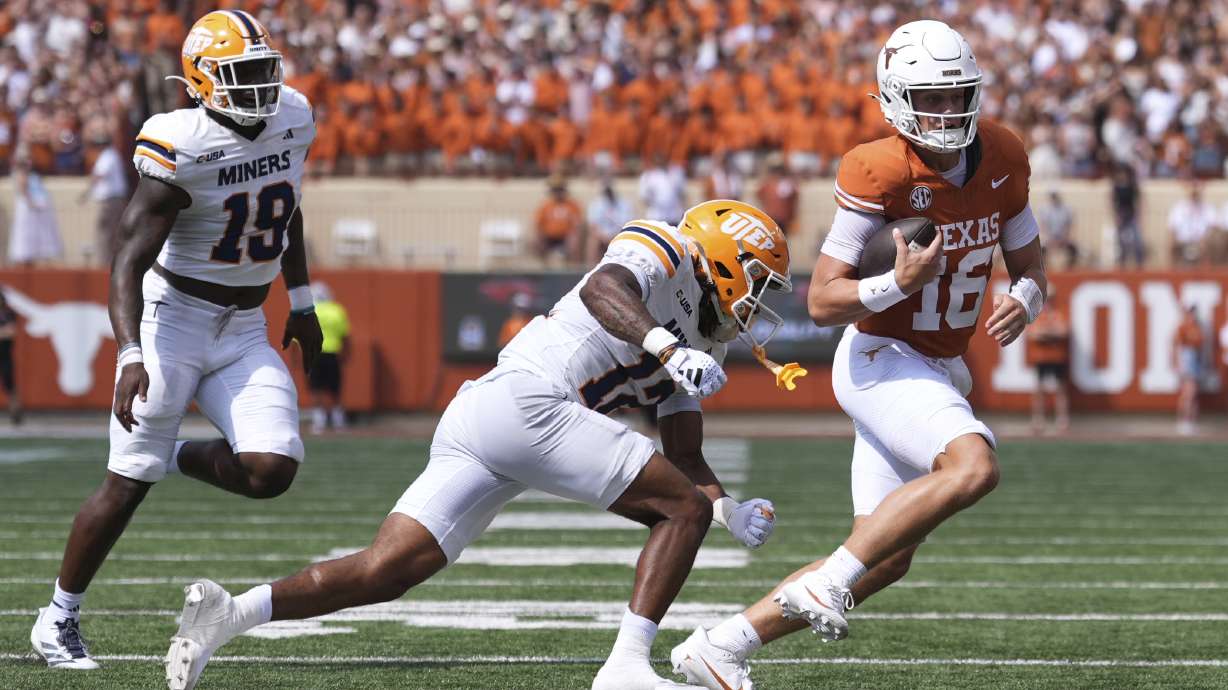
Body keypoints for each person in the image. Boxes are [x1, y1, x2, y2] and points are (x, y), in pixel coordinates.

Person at [162, 201, 792, 690]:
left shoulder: (706, 346)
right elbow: (606, 290)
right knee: (677, 511)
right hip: (527, 401)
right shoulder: (666, 248)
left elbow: (684, 456)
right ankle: (625, 665)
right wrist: (665, 347)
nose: (760, 301)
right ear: (724, 257)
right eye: (759, 279)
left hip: (494, 417)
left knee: (387, 570)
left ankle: (230, 614)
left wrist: (729, 509)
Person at [672, 21, 1048, 690]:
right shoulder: (875, 167)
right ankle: (829, 585)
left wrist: (1026, 295)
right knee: (973, 465)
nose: (946, 111)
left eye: (956, 96)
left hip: (938, 365)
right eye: (929, 99)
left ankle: (720, 647)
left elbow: (1030, 263)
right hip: (883, 356)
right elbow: (823, 300)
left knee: (886, 556)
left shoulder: (1004, 154)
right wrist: (894, 285)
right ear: (896, 100)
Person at [30, 11, 322, 670]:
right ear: (199, 82)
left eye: (262, 72)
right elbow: (128, 260)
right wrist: (131, 352)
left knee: (272, 469)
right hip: (176, 318)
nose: (257, 88)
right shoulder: (179, 143)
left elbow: (288, 208)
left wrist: (301, 300)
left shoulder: (293, 116)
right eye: (240, 76)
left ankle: (175, 456)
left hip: (246, 326)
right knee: (124, 480)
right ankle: (57, 618)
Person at [77, 133, 131, 266]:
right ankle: (110, 261)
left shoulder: (108, 156)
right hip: (114, 199)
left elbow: (99, 175)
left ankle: (105, 262)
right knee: (110, 231)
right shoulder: (112, 155)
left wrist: (85, 194)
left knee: (105, 232)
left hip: (110, 200)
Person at [307, 282, 350, 434]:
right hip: (332, 353)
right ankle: (338, 421)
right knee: (335, 388)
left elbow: (299, 337)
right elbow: (345, 336)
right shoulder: (337, 310)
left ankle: (319, 422)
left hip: (314, 353)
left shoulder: (309, 311)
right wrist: (346, 355)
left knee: (315, 388)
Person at [1028, 285, 1070, 434]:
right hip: (1042, 356)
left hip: (1057, 356)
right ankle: (1038, 419)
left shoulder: (1058, 314)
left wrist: (1047, 333)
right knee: (1039, 389)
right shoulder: (1038, 315)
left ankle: (1062, 419)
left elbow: (1064, 331)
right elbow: (1033, 334)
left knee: (1060, 388)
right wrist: (1051, 333)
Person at [8, 151, 63, 265]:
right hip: (28, 208)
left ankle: (34, 257)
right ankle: (25, 259)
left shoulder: (32, 176)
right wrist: (31, 203)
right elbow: (23, 190)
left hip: (35, 207)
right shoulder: (21, 175)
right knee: (26, 234)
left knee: (37, 234)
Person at [534, 175, 583, 264]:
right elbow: (538, 224)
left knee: (574, 241)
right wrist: (540, 236)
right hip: (549, 237)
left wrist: (573, 235)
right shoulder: (545, 206)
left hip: (566, 237)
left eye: (560, 189)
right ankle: (544, 269)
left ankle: (573, 269)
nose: (557, 192)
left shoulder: (572, 205)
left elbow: (577, 224)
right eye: (555, 190)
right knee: (537, 242)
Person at [1167, 180, 1217, 268]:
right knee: (1171, 245)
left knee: (1211, 245)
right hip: (1183, 242)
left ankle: (1207, 273)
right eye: (1193, 189)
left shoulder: (1208, 208)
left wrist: (1205, 240)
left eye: (1197, 189)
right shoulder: (1179, 208)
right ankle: (1172, 273)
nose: (1195, 192)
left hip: (1201, 242)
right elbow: (1172, 228)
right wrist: (1174, 240)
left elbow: (1213, 228)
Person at [585, 177, 635, 263]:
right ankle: (591, 270)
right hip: (601, 237)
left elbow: (627, 225)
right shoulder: (596, 204)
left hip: (618, 235)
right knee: (593, 242)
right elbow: (593, 227)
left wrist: (614, 237)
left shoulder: (624, 204)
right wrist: (603, 237)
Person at [1175, 305, 1204, 435]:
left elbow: (1200, 346)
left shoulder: (1197, 328)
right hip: (1187, 358)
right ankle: (1184, 420)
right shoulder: (1183, 327)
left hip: (1196, 359)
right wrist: (1178, 363)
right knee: (1189, 391)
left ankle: (1191, 421)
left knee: (1194, 392)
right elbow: (1178, 346)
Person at [1110, 163, 1143, 267]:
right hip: (1121, 214)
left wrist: (1139, 216)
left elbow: (1138, 202)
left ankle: (1139, 262)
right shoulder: (1116, 187)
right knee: (1121, 241)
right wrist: (1116, 216)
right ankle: (1122, 262)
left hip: (1131, 214)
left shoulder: (1133, 186)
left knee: (1137, 240)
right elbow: (1112, 202)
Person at [1037, 189, 1077, 269]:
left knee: (1073, 249)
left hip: (1063, 238)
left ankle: (1068, 269)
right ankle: (1046, 268)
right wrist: (1050, 240)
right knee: (1039, 250)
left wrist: (1064, 239)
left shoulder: (1066, 209)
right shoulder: (1045, 210)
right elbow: (1044, 227)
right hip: (1050, 238)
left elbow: (1069, 226)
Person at [0, 289, 22, 424]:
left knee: (10, 386)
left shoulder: (9, 314)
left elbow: (10, 332)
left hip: (5, 356)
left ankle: (16, 414)